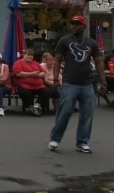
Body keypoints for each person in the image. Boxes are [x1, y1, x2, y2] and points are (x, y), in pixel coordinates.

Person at [48, 15, 106, 153]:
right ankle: (55, 139)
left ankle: (82, 142)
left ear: (84, 26)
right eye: (72, 24)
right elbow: (57, 60)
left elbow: (98, 63)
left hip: (87, 84)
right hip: (69, 83)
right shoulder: (64, 41)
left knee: (87, 114)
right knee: (64, 112)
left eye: (77, 24)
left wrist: (103, 81)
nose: (74, 26)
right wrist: (56, 79)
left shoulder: (91, 43)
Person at [12, 49, 49, 114]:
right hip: (24, 85)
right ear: (24, 55)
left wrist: (39, 75)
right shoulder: (18, 63)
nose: (30, 57)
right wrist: (32, 74)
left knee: (47, 92)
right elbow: (18, 74)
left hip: (38, 86)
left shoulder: (36, 63)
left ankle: (36, 106)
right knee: (24, 92)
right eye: (28, 55)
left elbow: (43, 72)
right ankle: (30, 106)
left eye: (32, 55)